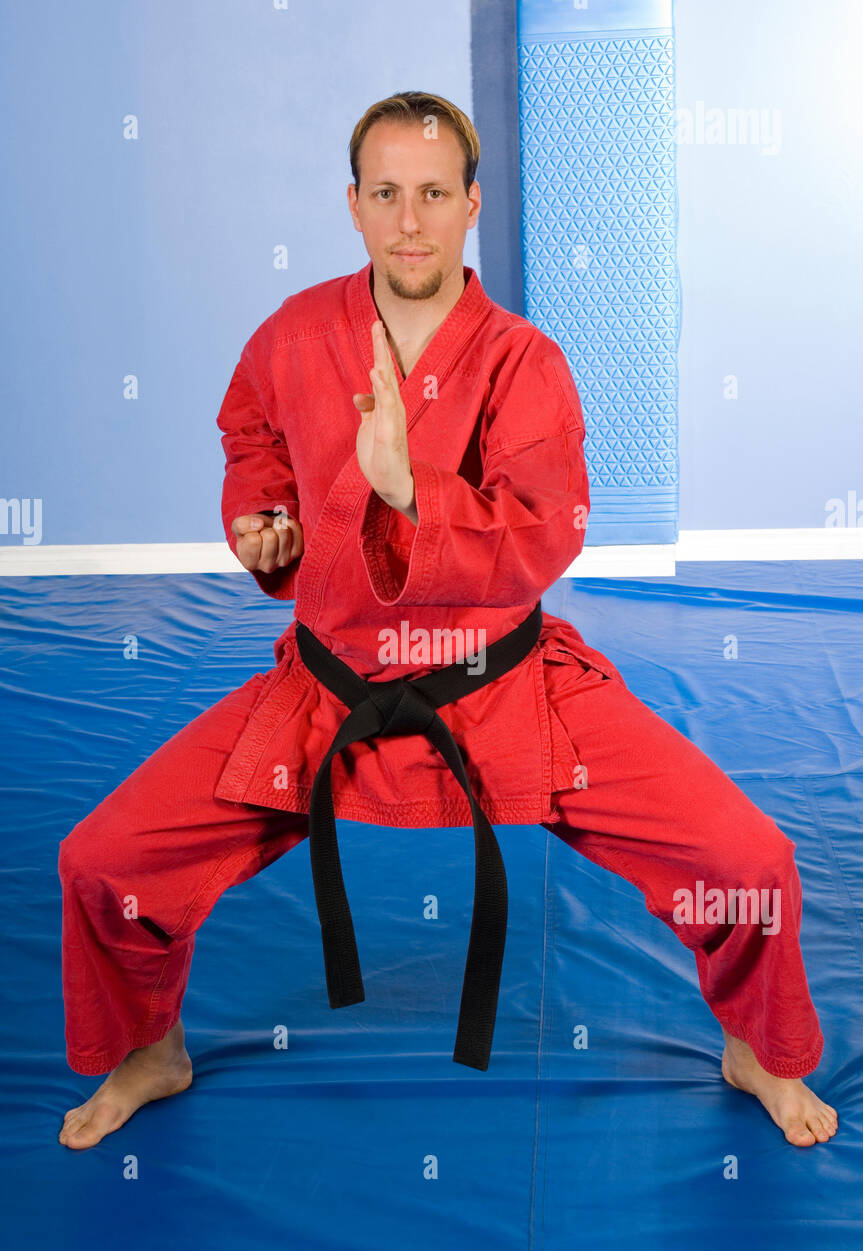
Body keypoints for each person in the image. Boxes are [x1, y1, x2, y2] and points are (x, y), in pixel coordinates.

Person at [58, 91, 837, 1150]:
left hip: (505, 694)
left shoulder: (524, 362)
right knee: (105, 860)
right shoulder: (292, 336)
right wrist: (262, 522)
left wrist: (412, 487)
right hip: (327, 696)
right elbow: (252, 438)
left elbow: (544, 531)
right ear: (353, 205)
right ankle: (148, 1045)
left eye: (433, 193)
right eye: (386, 193)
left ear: (470, 205)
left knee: (747, 866)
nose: (409, 219)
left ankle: (757, 1044)